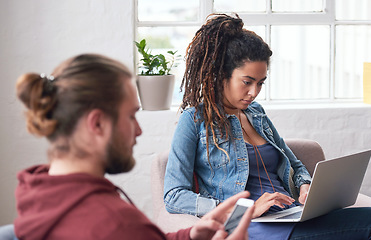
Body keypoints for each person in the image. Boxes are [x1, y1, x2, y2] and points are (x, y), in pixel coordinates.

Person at [163, 13, 371, 240]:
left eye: (260, 83)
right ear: (220, 75)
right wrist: (245, 209)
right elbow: (174, 196)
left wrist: (305, 186)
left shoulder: (257, 114)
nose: (254, 93)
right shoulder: (194, 120)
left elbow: (294, 164)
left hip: (289, 216)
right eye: (247, 82)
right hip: (251, 224)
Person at [13, 53, 254, 240]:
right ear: (97, 123)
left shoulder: (38, 191)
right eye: (130, 116)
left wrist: (189, 235)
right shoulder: (115, 224)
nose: (138, 130)